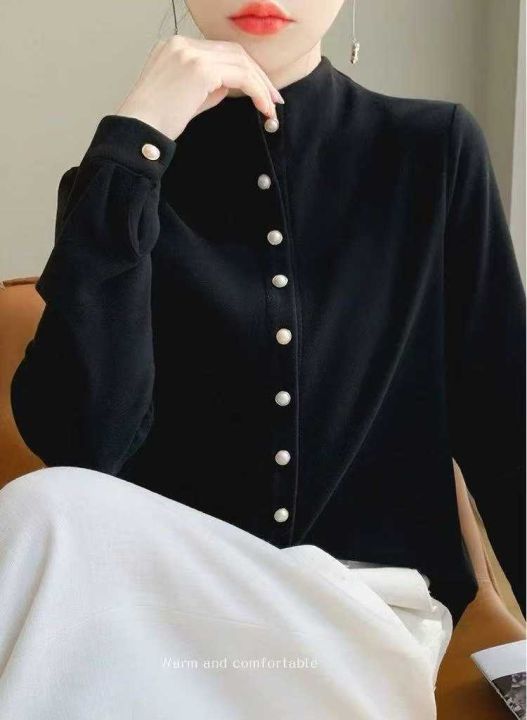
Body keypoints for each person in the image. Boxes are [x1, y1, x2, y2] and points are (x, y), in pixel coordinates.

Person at [3, 0, 525, 715]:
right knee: (44, 508)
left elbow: (502, 420)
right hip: (158, 610)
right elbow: (81, 446)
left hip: (359, 615)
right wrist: (135, 138)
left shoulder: (430, 150)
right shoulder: (123, 182)